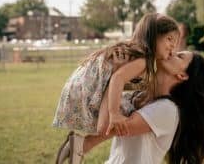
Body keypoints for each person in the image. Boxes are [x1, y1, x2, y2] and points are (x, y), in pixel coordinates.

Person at [53, 13, 180, 164]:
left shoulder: (138, 53)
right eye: (169, 39)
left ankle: (79, 146)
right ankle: (79, 146)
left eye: (175, 42)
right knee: (109, 124)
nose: (173, 46)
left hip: (79, 84)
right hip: (87, 86)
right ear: (153, 36)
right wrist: (114, 113)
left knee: (126, 107)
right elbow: (117, 78)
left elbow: (122, 79)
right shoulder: (144, 60)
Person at [57, 51, 204, 164]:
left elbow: (115, 126)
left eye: (179, 56)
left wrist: (115, 77)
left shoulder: (168, 110)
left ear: (182, 75)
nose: (171, 52)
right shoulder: (140, 95)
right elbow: (101, 110)